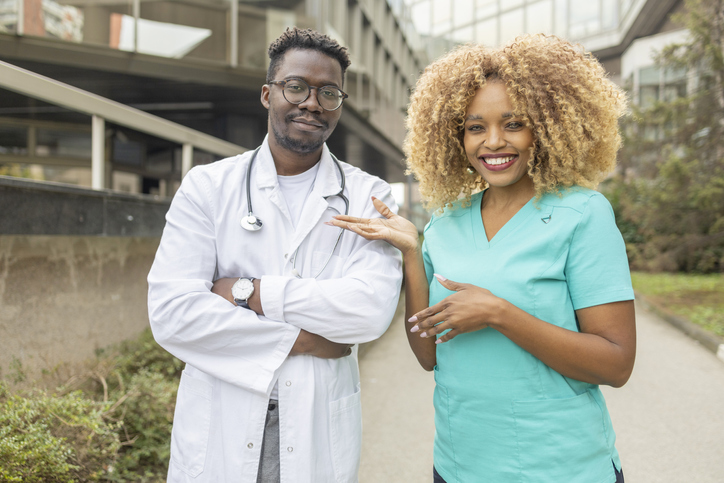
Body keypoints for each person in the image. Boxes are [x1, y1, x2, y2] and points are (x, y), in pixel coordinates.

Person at [329, 34, 635, 483]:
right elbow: (428, 355)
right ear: (456, 136)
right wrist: (413, 255)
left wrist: (499, 313)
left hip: (560, 466)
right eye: (476, 127)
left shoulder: (582, 214)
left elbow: (616, 363)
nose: (493, 142)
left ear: (546, 128)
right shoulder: (444, 225)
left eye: (514, 124)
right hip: (459, 464)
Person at [147, 27, 402, 483]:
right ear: (268, 94)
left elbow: (368, 311)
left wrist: (249, 292)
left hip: (315, 424)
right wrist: (302, 340)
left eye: (329, 92)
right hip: (221, 424)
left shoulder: (369, 195)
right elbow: (172, 313)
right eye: (296, 87)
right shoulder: (208, 187)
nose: (312, 103)